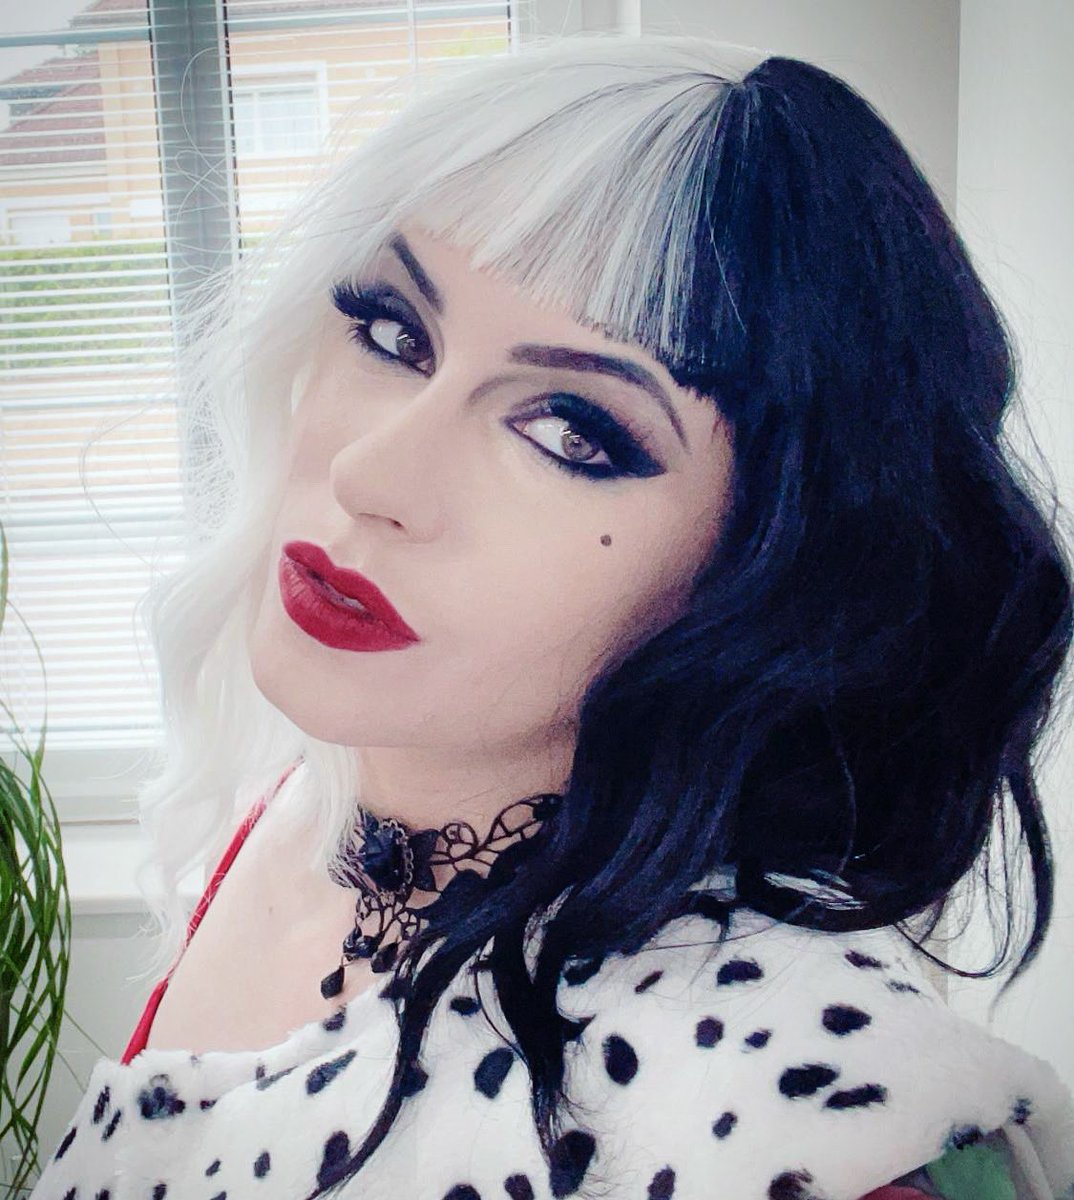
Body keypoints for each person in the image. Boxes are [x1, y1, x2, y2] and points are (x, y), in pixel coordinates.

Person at [30, 33, 1074, 1200]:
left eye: (572, 431)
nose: (373, 474)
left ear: (767, 567)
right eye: (392, 333)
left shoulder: (793, 1123)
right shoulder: (302, 799)